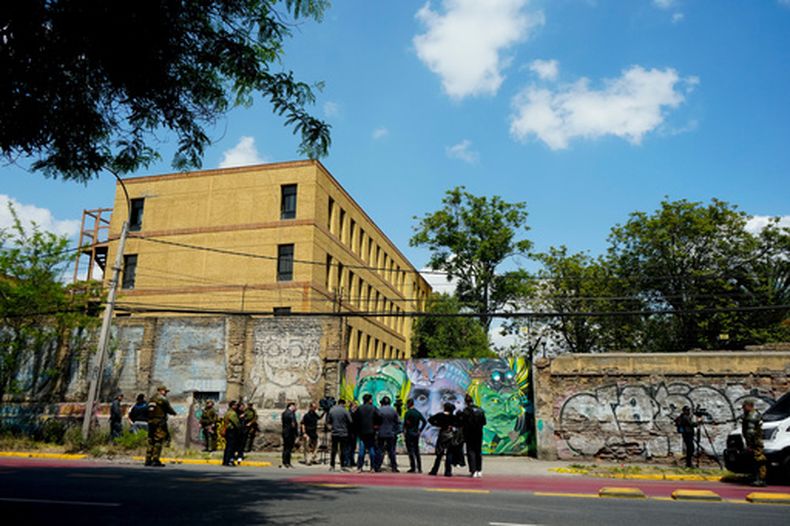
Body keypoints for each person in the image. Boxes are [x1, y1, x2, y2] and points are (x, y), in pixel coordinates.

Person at [145, 385, 176, 467]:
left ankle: (148, 459)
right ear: (160, 391)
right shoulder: (161, 399)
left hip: (151, 422)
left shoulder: (151, 399)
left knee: (150, 440)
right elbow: (168, 408)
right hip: (159, 422)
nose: (166, 393)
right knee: (158, 440)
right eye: (165, 391)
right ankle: (155, 459)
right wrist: (174, 413)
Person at [741, 400, 767, 487]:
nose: (743, 408)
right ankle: (756, 477)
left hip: (755, 442)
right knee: (754, 459)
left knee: (758, 459)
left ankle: (760, 479)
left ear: (749, 406)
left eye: (744, 406)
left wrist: (750, 444)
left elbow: (750, 432)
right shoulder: (751, 414)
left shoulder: (752, 416)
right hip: (754, 441)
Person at [428, 402, 458, 477]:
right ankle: (448, 471)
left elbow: (430, 420)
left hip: (442, 434)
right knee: (449, 454)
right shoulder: (453, 417)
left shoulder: (440, 415)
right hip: (450, 435)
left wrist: (437, 424)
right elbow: (458, 423)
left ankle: (434, 470)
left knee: (439, 454)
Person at [462, 394, 487, 478]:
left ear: (466, 402)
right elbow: (484, 422)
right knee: (478, 451)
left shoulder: (466, 411)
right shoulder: (480, 410)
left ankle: (473, 470)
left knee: (470, 451)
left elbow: (463, 423)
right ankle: (479, 470)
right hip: (479, 433)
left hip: (469, 433)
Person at [355, 393, 381, 472]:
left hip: (362, 431)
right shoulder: (373, 408)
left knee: (361, 450)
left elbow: (355, 419)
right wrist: (376, 425)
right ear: (370, 400)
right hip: (371, 431)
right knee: (371, 449)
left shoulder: (359, 408)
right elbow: (379, 416)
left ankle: (359, 467)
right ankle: (373, 467)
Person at [375, 396, 400, 472]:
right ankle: (394, 467)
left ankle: (377, 466)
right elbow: (398, 422)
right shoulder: (393, 410)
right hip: (391, 433)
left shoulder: (379, 410)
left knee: (380, 450)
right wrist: (396, 431)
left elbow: (376, 422)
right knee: (391, 451)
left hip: (381, 433)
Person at [327, 399, 353, 471]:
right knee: (343, 449)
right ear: (343, 404)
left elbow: (329, 421)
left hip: (334, 432)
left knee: (333, 449)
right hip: (343, 433)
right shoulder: (345, 411)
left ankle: (332, 465)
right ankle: (342, 465)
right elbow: (350, 421)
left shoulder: (332, 410)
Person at [402, 398, 427, 473]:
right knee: (417, 451)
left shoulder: (408, 413)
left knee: (410, 451)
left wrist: (404, 431)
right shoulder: (417, 412)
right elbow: (424, 422)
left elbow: (405, 424)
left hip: (409, 433)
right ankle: (419, 468)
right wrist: (420, 430)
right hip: (416, 433)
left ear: (409, 404)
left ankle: (413, 467)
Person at [222, 400, 242, 466]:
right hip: (232, 431)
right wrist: (240, 429)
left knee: (228, 447)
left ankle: (225, 461)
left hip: (228, 430)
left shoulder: (227, 412)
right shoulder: (233, 413)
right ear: (232, 406)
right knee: (231, 447)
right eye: (235, 405)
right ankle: (228, 461)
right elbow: (236, 423)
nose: (236, 406)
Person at [281, 402, 298, 468]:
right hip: (290, 433)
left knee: (286, 448)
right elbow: (293, 424)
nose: (296, 408)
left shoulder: (284, 413)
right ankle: (287, 462)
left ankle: (285, 461)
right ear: (291, 406)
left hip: (285, 432)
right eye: (294, 406)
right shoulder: (291, 414)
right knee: (288, 448)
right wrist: (296, 433)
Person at [347, 401, 359, 467]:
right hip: (349, 433)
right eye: (355, 406)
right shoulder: (349, 413)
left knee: (353, 448)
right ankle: (348, 461)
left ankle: (351, 461)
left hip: (354, 433)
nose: (356, 408)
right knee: (349, 448)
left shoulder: (356, 414)